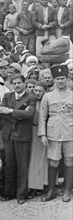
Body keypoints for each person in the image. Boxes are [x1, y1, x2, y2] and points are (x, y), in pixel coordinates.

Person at [0, 73, 36, 204]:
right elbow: (1, 111)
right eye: (14, 83)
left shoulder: (31, 97)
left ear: (24, 84)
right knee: (10, 164)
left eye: (19, 83)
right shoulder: (8, 96)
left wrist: (10, 111)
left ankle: (21, 194)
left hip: (23, 135)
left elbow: (30, 114)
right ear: (11, 85)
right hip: (8, 134)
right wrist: (18, 114)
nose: (17, 85)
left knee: (22, 166)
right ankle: (9, 193)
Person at [38, 65, 73, 203]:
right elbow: (42, 117)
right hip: (53, 134)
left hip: (70, 133)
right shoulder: (48, 96)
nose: (60, 81)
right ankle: (51, 190)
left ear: (67, 78)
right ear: (54, 79)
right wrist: (42, 135)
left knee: (69, 161)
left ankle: (67, 191)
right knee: (53, 161)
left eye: (62, 78)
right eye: (57, 79)